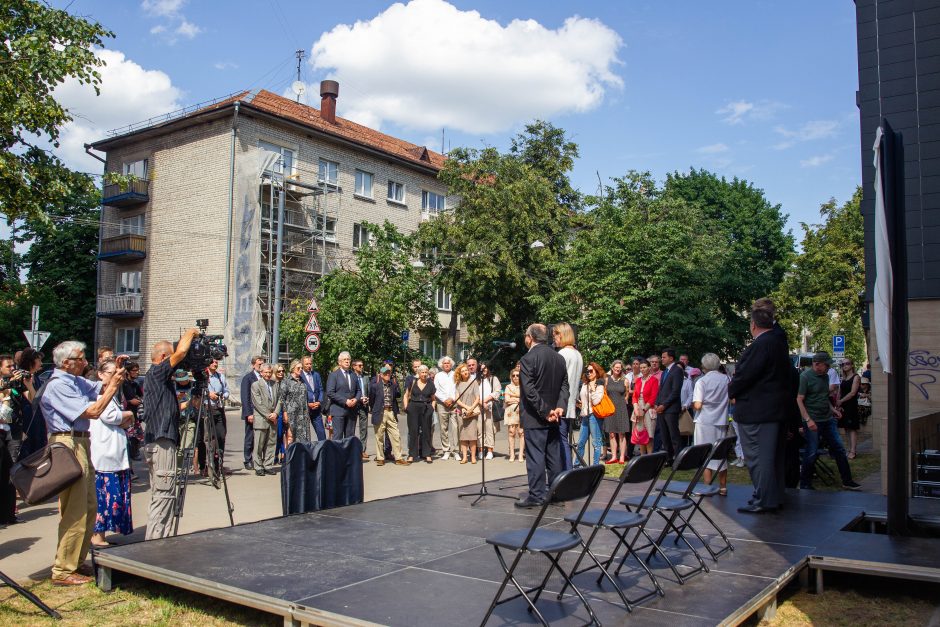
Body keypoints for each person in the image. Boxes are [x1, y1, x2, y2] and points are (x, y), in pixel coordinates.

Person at [41, 340, 125, 584]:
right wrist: (113, 386)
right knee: (75, 509)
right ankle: (63, 570)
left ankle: (75, 563)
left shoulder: (74, 381)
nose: (86, 362)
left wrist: (116, 375)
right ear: (66, 363)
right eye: (81, 359)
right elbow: (93, 411)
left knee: (89, 506)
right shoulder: (58, 385)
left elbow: (101, 388)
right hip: (67, 444)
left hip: (81, 442)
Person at [727, 304, 791, 514]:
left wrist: (732, 390)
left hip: (757, 412)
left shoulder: (761, 345)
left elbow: (745, 375)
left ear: (753, 325)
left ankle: (765, 498)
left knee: (758, 457)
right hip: (773, 410)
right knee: (771, 458)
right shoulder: (779, 341)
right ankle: (773, 495)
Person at [143, 328, 199, 540]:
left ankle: (159, 538)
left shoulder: (158, 380)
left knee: (161, 492)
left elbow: (166, 408)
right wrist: (191, 333)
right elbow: (181, 353)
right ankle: (157, 542)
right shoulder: (157, 372)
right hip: (161, 441)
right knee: (164, 494)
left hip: (158, 440)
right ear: (164, 357)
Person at [517, 323, 569, 508]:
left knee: (536, 456)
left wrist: (546, 411)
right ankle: (556, 494)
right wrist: (559, 407)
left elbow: (529, 391)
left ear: (530, 337)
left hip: (536, 416)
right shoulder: (558, 358)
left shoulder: (527, 359)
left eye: (525, 335)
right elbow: (565, 386)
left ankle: (537, 495)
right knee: (553, 456)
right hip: (555, 415)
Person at [797, 352, 861, 491]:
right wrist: (808, 420)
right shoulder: (805, 377)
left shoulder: (825, 376)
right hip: (813, 420)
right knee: (811, 452)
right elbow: (799, 399)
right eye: (826, 365)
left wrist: (833, 410)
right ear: (817, 364)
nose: (828, 368)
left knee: (838, 448)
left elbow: (824, 396)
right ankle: (805, 484)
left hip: (827, 419)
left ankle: (847, 480)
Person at [90, 358, 135, 547]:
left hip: (114, 454)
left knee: (113, 498)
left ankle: (102, 535)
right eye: (111, 373)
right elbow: (113, 417)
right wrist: (129, 415)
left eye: (120, 374)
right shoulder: (99, 395)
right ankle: (97, 536)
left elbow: (120, 420)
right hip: (104, 456)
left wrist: (125, 417)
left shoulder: (113, 396)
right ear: (100, 375)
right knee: (103, 498)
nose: (118, 377)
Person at [692, 353, 731, 495]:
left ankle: (707, 486)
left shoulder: (701, 382)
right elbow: (732, 399)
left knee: (705, 454)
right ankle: (723, 487)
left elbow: (697, 405)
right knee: (720, 453)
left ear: (704, 366)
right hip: (721, 420)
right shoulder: (726, 379)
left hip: (705, 421)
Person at [552, 322, 583, 470]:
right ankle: (568, 470)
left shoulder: (563, 354)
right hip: (569, 403)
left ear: (562, 335)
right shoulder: (578, 354)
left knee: (561, 439)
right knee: (564, 438)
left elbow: (556, 380)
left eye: (555, 335)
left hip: (560, 402)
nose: (554, 339)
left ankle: (566, 471)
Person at [369, 365, 409, 466]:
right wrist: (376, 409)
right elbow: (372, 400)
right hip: (380, 412)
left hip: (391, 412)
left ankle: (398, 458)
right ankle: (380, 458)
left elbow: (397, 395)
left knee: (396, 435)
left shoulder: (393, 385)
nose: (387, 375)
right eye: (385, 373)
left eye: (389, 373)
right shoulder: (375, 386)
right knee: (379, 436)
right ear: (381, 375)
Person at [250, 363, 281, 476]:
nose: (268, 374)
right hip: (262, 419)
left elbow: (279, 400)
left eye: (269, 372)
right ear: (261, 373)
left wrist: (276, 413)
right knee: (259, 444)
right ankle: (258, 466)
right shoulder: (256, 385)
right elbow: (258, 403)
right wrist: (269, 415)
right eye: (266, 372)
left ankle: (268, 465)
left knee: (271, 443)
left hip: (273, 418)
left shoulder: (275, 384)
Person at [654, 348, 683, 463]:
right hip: (661, 408)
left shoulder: (677, 370)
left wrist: (664, 405)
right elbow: (661, 390)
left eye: (664, 357)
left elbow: (675, 391)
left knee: (674, 435)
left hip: (671, 409)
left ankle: (679, 459)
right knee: (664, 435)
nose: (662, 359)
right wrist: (657, 403)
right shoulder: (665, 371)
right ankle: (669, 458)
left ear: (671, 358)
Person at [403, 364, 436, 463]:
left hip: (426, 408)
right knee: (413, 431)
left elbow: (434, 399)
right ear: (418, 373)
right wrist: (406, 407)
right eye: (422, 372)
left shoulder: (430, 383)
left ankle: (427, 454)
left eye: (426, 372)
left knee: (426, 431)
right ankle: (412, 455)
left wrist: (432, 409)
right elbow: (406, 395)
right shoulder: (413, 382)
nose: (424, 374)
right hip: (413, 408)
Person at [326, 351, 362, 440]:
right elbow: (330, 392)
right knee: (337, 437)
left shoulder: (353, 375)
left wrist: (356, 399)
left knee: (350, 437)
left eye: (348, 359)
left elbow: (358, 390)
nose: (347, 361)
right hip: (338, 411)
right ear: (339, 362)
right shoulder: (333, 375)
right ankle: (337, 454)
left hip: (351, 411)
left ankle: (348, 454)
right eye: (344, 359)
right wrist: (345, 401)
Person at [204, 358, 229, 475]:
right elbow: (197, 391)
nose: (215, 364)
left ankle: (219, 464)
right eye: (213, 362)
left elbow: (226, 390)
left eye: (216, 362)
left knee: (221, 437)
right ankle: (208, 466)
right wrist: (209, 394)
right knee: (209, 439)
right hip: (207, 409)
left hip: (219, 409)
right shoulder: (203, 376)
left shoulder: (220, 377)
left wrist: (224, 395)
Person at [604, 360, 631, 464]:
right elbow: (605, 394)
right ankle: (614, 456)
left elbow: (627, 396)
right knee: (611, 433)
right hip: (610, 409)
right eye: (616, 367)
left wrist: (622, 404)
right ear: (612, 368)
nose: (618, 369)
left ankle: (622, 457)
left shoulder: (625, 381)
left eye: (619, 367)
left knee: (621, 434)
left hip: (621, 409)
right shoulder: (607, 380)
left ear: (621, 369)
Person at [239, 355, 264, 469]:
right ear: (253, 365)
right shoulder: (248, 378)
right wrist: (249, 413)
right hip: (252, 412)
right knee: (250, 437)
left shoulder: (265, 377)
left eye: (262, 364)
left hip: (263, 412)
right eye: (259, 364)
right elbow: (245, 397)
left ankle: (260, 459)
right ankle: (248, 459)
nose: (261, 366)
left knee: (263, 436)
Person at [453, 362, 480, 464]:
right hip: (462, 412)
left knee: (472, 436)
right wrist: (467, 407)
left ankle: (473, 457)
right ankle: (464, 457)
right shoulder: (458, 384)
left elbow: (477, 397)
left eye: (466, 370)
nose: (465, 372)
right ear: (460, 373)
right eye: (462, 371)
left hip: (472, 413)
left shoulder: (474, 382)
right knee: (463, 436)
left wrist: (472, 408)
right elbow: (457, 399)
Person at [632, 359, 658, 455]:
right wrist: (635, 407)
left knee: (649, 435)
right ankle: (642, 457)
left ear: (649, 368)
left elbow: (653, 397)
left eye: (644, 367)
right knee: (640, 435)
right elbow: (634, 395)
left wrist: (644, 409)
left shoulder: (654, 380)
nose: (642, 369)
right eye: (641, 367)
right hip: (638, 406)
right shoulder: (638, 380)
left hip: (648, 408)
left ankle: (650, 456)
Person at [434, 356, 458, 461]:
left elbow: (458, 388)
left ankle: (456, 451)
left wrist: (452, 399)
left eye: (448, 363)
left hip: (455, 404)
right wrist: (444, 400)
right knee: (443, 428)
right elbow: (436, 390)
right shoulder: (438, 375)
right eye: (445, 363)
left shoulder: (455, 374)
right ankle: (446, 451)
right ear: (441, 365)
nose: (447, 364)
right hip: (442, 404)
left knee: (456, 427)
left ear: (451, 364)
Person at [837, 358, 862, 459]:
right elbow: (839, 391)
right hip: (843, 405)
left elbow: (852, 393)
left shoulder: (856, 377)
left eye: (847, 364)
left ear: (852, 365)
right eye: (843, 364)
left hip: (851, 405)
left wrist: (841, 401)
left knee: (852, 428)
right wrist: (837, 404)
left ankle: (853, 451)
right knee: (846, 428)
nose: (845, 366)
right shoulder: (844, 377)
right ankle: (849, 448)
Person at [282, 359, 310, 444]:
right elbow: (282, 399)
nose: (301, 370)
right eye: (298, 368)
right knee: (291, 438)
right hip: (291, 415)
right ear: (293, 368)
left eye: (301, 368)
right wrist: (285, 413)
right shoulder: (286, 381)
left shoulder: (303, 381)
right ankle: (290, 456)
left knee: (303, 439)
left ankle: (302, 456)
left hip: (303, 415)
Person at [121, 360, 144, 462]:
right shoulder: (124, 384)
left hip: (135, 416)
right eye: (134, 370)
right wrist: (132, 401)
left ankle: (132, 461)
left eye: (137, 370)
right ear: (128, 372)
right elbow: (127, 400)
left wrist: (139, 400)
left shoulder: (135, 383)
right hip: (126, 417)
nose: (137, 372)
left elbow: (141, 396)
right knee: (128, 443)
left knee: (135, 440)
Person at [299, 356, 326, 441]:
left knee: (321, 432)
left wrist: (319, 401)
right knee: (305, 434)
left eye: (310, 363)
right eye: (307, 364)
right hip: (305, 409)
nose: (309, 365)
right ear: (302, 364)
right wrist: (307, 404)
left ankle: (323, 451)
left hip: (316, 408)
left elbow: (321, 389)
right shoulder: (300, 376)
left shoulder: (316, 375)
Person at [479, 362, 501, 460]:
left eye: (485, 368)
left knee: (490, 430)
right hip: (478, 407)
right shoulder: (476, 380)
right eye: (481, 368)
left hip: (490, 407)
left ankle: (490, 451)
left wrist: (486, 401)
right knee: (479, 430)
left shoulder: (493, 379)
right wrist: (481, 402)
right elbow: (474, 393)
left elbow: (497, 391)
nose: (483, 370)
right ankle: (480, 450)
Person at [504, 367, 524, 462]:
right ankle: (512, 454)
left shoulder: (524, 386)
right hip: (510, 413)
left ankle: (520, 454)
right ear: (511, 377)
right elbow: (507, 400)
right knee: (512, 432)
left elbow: (524, 399)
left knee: (521, 433)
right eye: (513, 375)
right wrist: (518, 398)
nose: (515, 377)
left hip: (522, 412)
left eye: (517, 375)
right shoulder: (508, 387)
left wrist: (513, 396)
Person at [352, 359, 371, 460]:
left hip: (364, 406)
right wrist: (359, 398)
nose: (361, 367)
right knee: (352, 428)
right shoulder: (351, 377)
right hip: (354, 405)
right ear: (354, 366)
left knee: (364, 429)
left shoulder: (366, 378)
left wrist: (367, 399)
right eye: (359, 365)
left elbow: (368, 391)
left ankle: (362, 450)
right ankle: (352, 449)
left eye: (362, 365)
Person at [273, 364, 288, 462]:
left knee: (285, 433)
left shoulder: (286, 382)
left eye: (282, 371)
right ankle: (275, 454)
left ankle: (283, 454)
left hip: (286, 411)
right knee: (277, 434)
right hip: (276, 411)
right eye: (279, 371)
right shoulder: (273, 383)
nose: (281, 373)